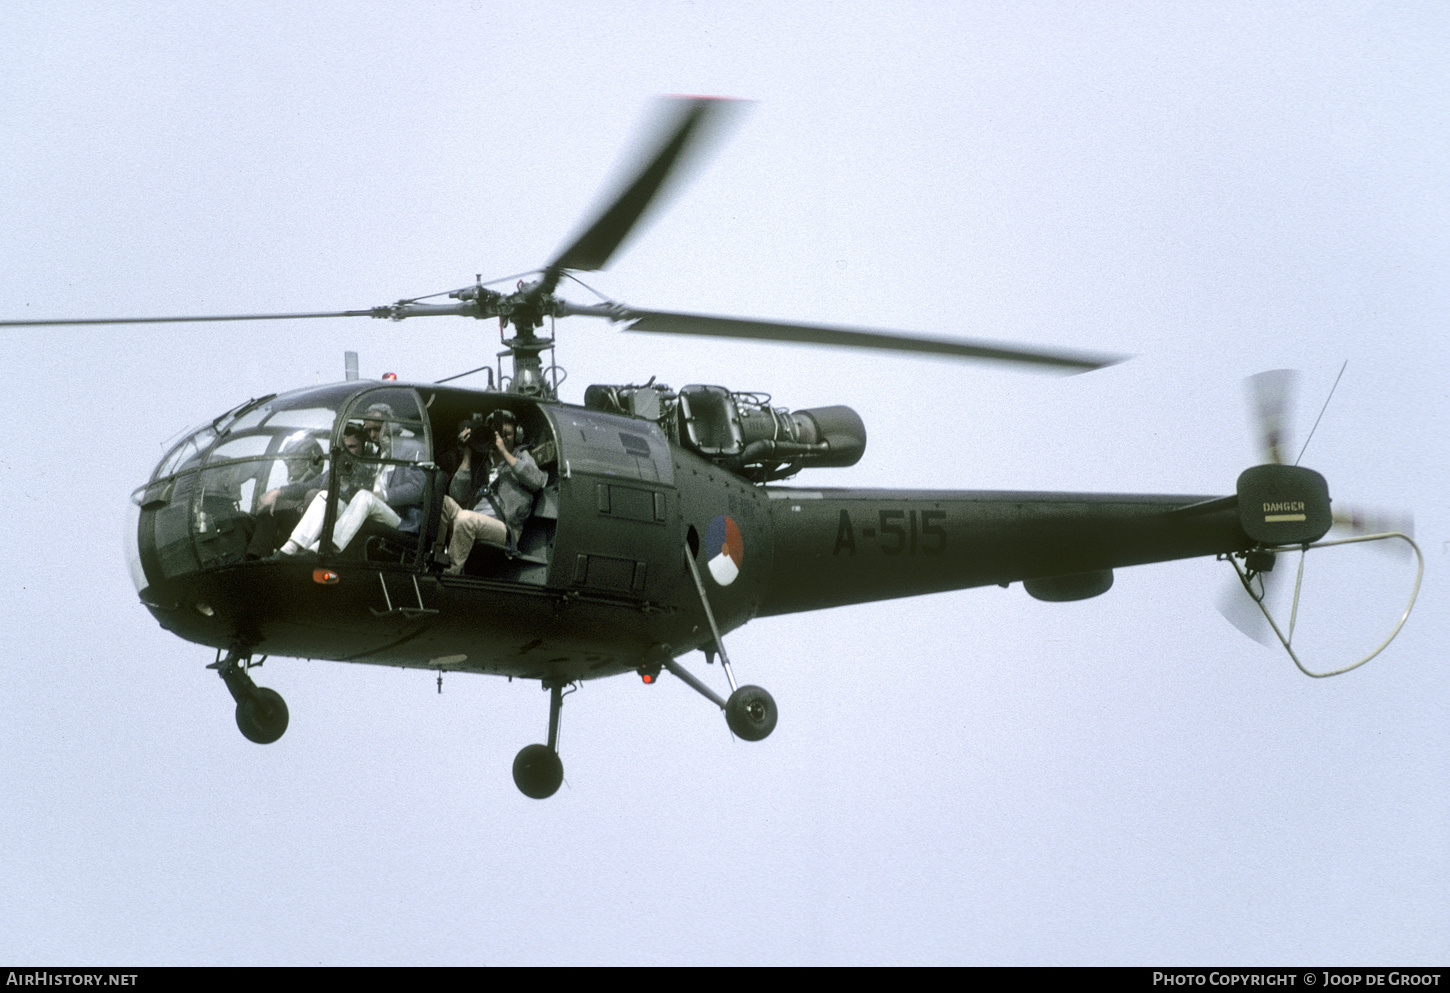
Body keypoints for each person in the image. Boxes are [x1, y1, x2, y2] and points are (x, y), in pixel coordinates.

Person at [438, 409, 545, 575]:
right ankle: (436, 559)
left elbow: (537, 480)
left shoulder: (521, 456)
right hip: (471, 520)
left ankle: (450, 573)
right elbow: (458, 495)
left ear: (517, 436)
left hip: (505, 529)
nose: (502, 438)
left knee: (466, 518)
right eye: (497, 435)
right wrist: (467, 453)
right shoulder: (482, 461)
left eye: (507, 434)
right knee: (442, 502)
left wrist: (504, 452)